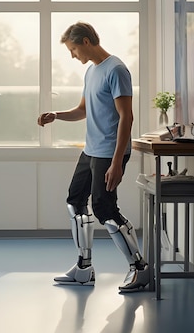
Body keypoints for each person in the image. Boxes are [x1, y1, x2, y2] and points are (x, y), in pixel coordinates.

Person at [37, 21, 151, 293]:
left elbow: (127, 117)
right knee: (75, 201)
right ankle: (84, 269)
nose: (73, 55)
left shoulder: (117, 70)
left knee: (104, 208)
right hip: (90, 151)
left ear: (86, 41)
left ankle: (140, 269)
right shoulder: (92, 72)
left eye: (73, 49)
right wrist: (57, 115)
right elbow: (82, 110)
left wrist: (116, 163)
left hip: (109, 153)